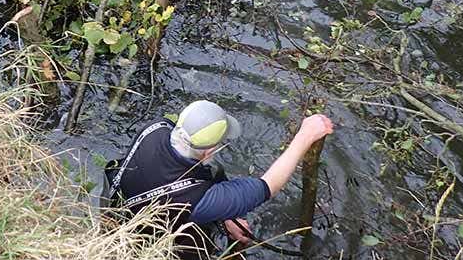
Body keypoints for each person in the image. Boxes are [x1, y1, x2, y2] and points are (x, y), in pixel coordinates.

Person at [104, 100, 334, 259]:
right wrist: (305, 136)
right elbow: (269, 186)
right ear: (208, 151)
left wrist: (226, 216)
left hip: (118, 215)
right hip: (149, 246)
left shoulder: (155, 128)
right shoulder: (197, 199)